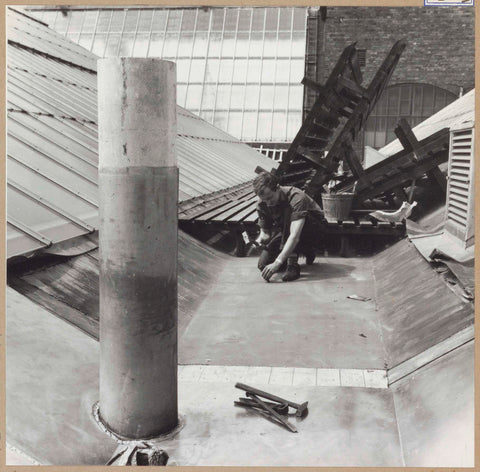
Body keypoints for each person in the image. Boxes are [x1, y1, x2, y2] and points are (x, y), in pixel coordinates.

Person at [253, 171, 323, 282]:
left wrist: (278, 262)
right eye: (264, 199)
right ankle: (305, 250)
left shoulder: (296, 197)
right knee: (263, 265)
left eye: (270, 197)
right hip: (287, 230)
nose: (268, 203)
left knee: (287, 211)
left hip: (315, 229)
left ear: (278, 187)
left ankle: (293, 264)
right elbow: (265, 233)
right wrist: (260, 241)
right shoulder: (262, 204)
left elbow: (294, 235)